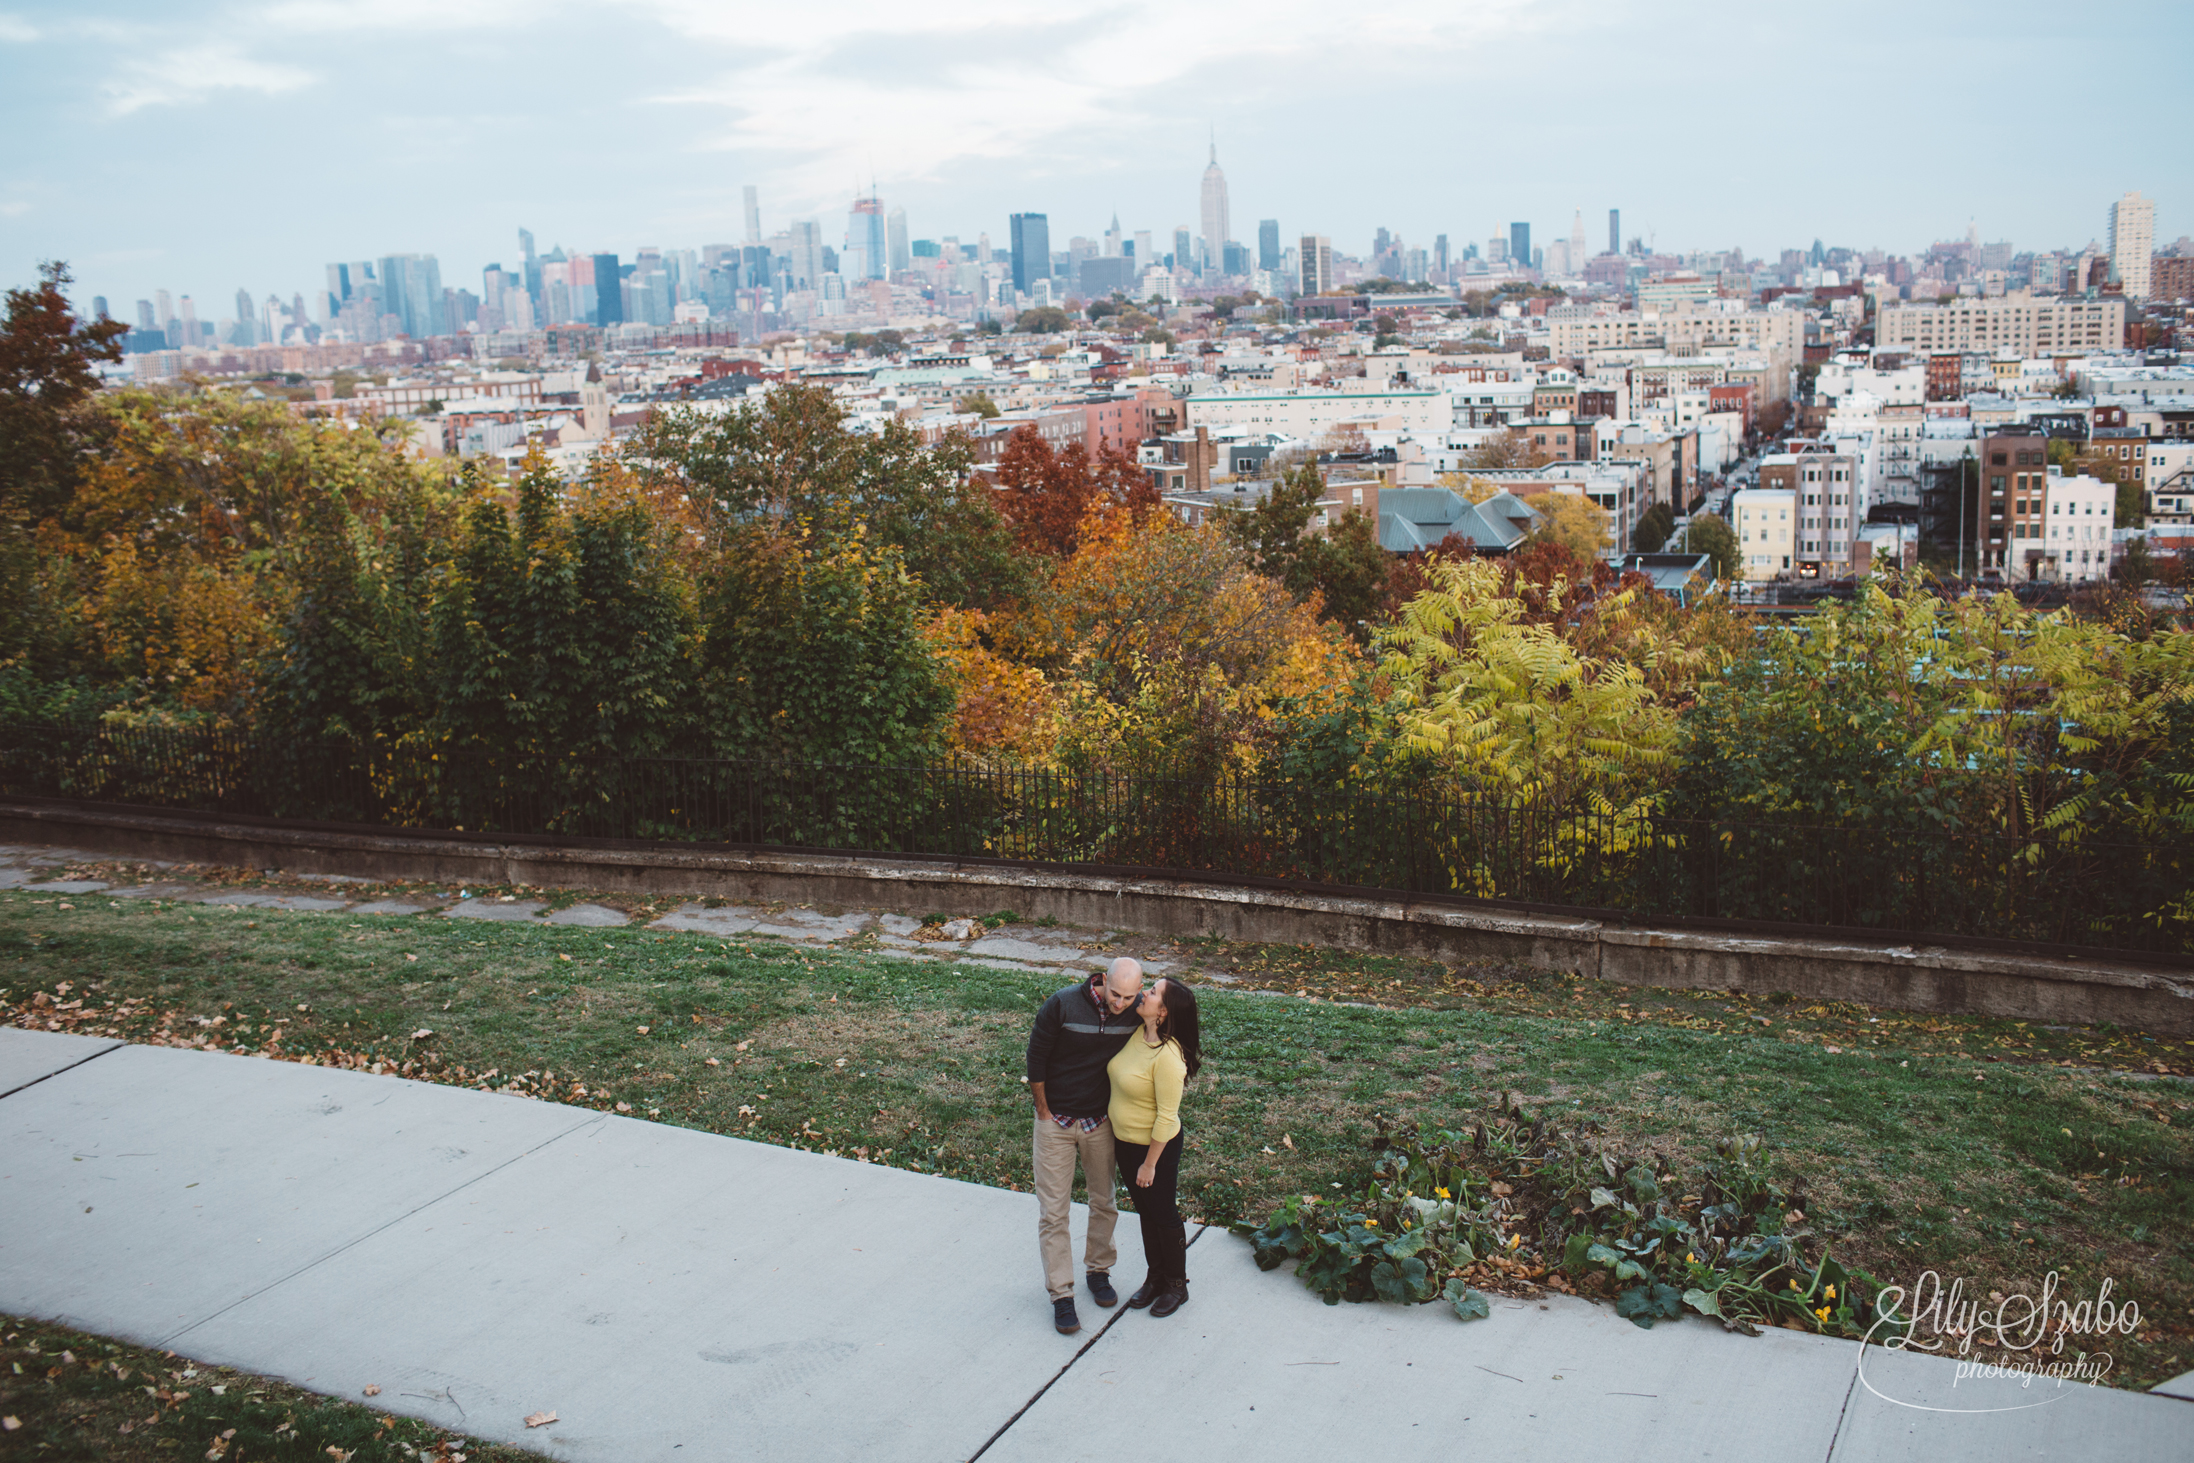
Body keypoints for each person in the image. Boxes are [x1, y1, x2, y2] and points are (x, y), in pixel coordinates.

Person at [1025, 957, 1145, 1335]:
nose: (1121, 1003)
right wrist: (1043, 1112)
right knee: (1054, 1212)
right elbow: (1036, 1058)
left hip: (1100, 1122)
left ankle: (1099, 1271)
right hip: (1055, 1122)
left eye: (1129, 996)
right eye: (1115, 993)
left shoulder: (1137, 1010)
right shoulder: (1062, 1004)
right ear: (1102, 980)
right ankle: (1061, 1295)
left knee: (1104, 1201)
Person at [1108, 976, 1200, 1319]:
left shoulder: (1168, 1057)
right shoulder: (1138, 1031)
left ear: (1162, 1011)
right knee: (1146, 1212)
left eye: (1152, 992)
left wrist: (1149, 1165)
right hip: (1126, 1143)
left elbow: (1166, 1118)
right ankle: (1155, 1277)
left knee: (1163, 1213)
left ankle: (1177, 1284)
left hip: (1155, 1149)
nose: (1143, 994)